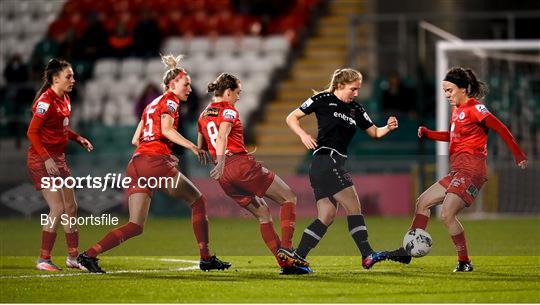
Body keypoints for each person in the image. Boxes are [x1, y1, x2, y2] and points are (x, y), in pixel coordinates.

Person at [77, 55, 230, 273]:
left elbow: (136, 139)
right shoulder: (170, 101)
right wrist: (192, 147)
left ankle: (88, 255)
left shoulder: (151, 104)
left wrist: (164, 152)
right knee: (198, 201)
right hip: (153, 162)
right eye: (186, 84)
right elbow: (167, 130)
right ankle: (206, 257)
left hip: (137, 163)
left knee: (135, 225)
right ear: (172, 84)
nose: (189, 88)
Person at [386, 67, 528, 272]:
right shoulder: (457, 111)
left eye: (450, 90)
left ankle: (464, 262)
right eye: (444, 91)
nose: (447, 95)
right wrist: (429, 134)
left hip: (472, 171)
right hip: (458, 171)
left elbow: (501, 128)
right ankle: (408, 251)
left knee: (447, 214)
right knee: (423, 202)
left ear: (464, 88)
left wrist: (518, 154)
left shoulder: (475, 109)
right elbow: (453, 137)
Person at [286, 68, 398, 271]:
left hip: (327, 165)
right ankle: (367, 254)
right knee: (354, 206)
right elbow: (291, 117)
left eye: (358, 90)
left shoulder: (356, 108)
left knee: (327, 215)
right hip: (326, 161)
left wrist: (388, 128)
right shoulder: (322, 99)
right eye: (353, 89)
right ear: (340, 85)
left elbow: (374, 132)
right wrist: (303, 135)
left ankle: (297, 258)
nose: (356, 93)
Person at [197, 73, 310, 275]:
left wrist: (204, 153)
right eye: (237, 93)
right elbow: (222, 135)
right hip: (239, 166)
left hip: (224, 178)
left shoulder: (203, 114)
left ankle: (285, 264)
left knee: (263, 214)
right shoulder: (229, 110)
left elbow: (202, 139)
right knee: (289, 197)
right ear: (228, 92)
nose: (238, 97)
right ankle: (287, 248)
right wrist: (222, 161)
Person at [27, 59, 94, 271]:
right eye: (69, 76)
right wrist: (46, 159)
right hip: (42, 159)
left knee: (71, 208)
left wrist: (77, 138)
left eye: (73, 76)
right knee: (57, 207)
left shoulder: (64, 98)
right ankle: (43, 259)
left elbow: (61, 128)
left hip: (58, 159)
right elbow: (32, 132)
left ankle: (73, 257)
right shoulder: (45, 102)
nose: (73, 80)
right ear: (55, 79)